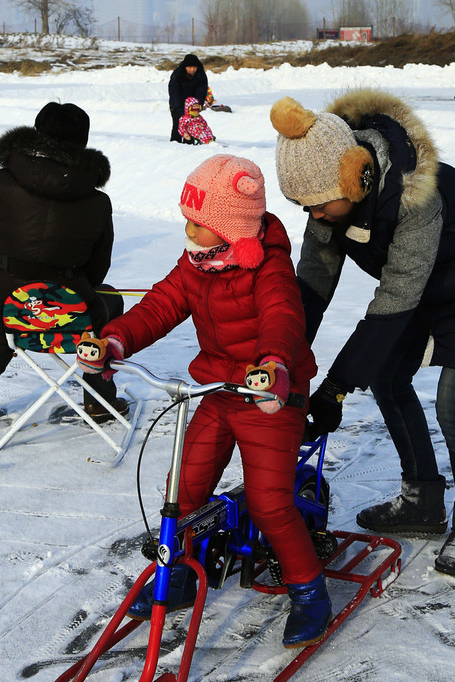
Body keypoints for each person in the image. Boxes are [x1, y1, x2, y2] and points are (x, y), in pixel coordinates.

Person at [270, 89, 455, 577]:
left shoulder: (415, 199)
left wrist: (335, 388)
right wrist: (281, 356)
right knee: (389, 377)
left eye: (319, 205)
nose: (314, 216)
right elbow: (312, 284)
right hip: (425, 280)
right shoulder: (328, 196)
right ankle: (422, 502)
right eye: (302, 206)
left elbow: (392, 305)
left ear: (356, 177)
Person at [77, 154, 331, 648]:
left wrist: (275, 366)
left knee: (269, 502)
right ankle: (183, 575)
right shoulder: (197, 263)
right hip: (217, 389)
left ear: (230, 228)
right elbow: (161, 304)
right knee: (184, 489)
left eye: (199, 222)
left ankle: (308, 590)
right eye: (187, 218)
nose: (188, 230)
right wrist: (115, 342)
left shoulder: (269, 269)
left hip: (267, 395)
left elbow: (283, 317)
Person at [0, 102, 126, 429]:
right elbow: (98, 270)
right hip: (70, 312)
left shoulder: (2, 181)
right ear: (82, 141)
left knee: (2, 320)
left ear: (37, 135)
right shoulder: (98, 201)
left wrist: (0, 261)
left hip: (5, 306)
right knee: (109, 300)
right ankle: (98, 401)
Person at [168, 53, 208, 143]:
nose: (192, 70)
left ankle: (189, 148)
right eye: (189, 67)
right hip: (177, 106)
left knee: (191, 128)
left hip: (192, 107)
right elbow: (174, 93)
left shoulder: (201, 75)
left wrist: (196, 107)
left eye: (194, 67)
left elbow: (201, 92)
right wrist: (180, 111)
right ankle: (175, 146)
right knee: (178, 127)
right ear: (185, 67)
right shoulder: (177, 74)